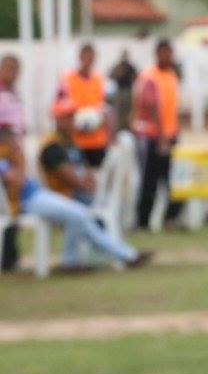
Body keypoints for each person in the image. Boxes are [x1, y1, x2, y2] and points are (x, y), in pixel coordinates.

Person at [0, 122, 151, 273]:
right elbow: (18, 180)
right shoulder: (13, 156)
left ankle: (121, 255)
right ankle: (123, 255)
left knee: (79, 216)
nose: (14, 139)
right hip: (27, 200)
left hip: (37, 194)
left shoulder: (12, 154)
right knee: (79, 213)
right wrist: (18, 157)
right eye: (10, 135)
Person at [132, 39, 182, 229]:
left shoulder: (171, 75)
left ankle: (170, 218)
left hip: (170, 134)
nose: (168, 57)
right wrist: (161, 137)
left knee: (173, 179)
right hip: (153, 136)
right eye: (164, 53)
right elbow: (151, 107)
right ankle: (142, 221)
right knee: (149, 181)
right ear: (157, 53)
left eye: (170, 53)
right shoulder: (149, 76)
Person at [57, 43, 110, 168]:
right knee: (78, 176)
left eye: (91, 57)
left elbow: (105, 107)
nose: (88, 60)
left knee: (96, 178)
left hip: (97, 140)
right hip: (75, 140)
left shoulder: (99, 79)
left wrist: (101, 119)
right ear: (80, 57)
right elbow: (58, 108)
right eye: (85, 56)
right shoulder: (68, 78)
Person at [40, 99, 97, 206]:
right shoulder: (51, 146)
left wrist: (92, 187)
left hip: (82, 195)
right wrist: (89, 187)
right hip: (63, 199)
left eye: (73, 116)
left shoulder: (72, 142)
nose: (72, 121)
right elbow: (72, 180)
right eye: (68, 117)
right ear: (58, 120)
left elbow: (88, 170)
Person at [0, 54, 25, 271]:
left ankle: (10, 254)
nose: (11, 73)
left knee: (13, 206)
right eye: (7, 67)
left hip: (13, 155)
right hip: (4, 159)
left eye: (15, 68)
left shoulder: (13, 95)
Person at [109, 50, 139, 131]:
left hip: (129, 91)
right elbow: (111, 76)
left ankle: (129, 128)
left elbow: (137, 77)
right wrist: (119, 73)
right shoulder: (118, 66)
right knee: (119, 112)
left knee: (130, 112)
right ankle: (119, 128)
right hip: (120, 91)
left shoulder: (131, 67)